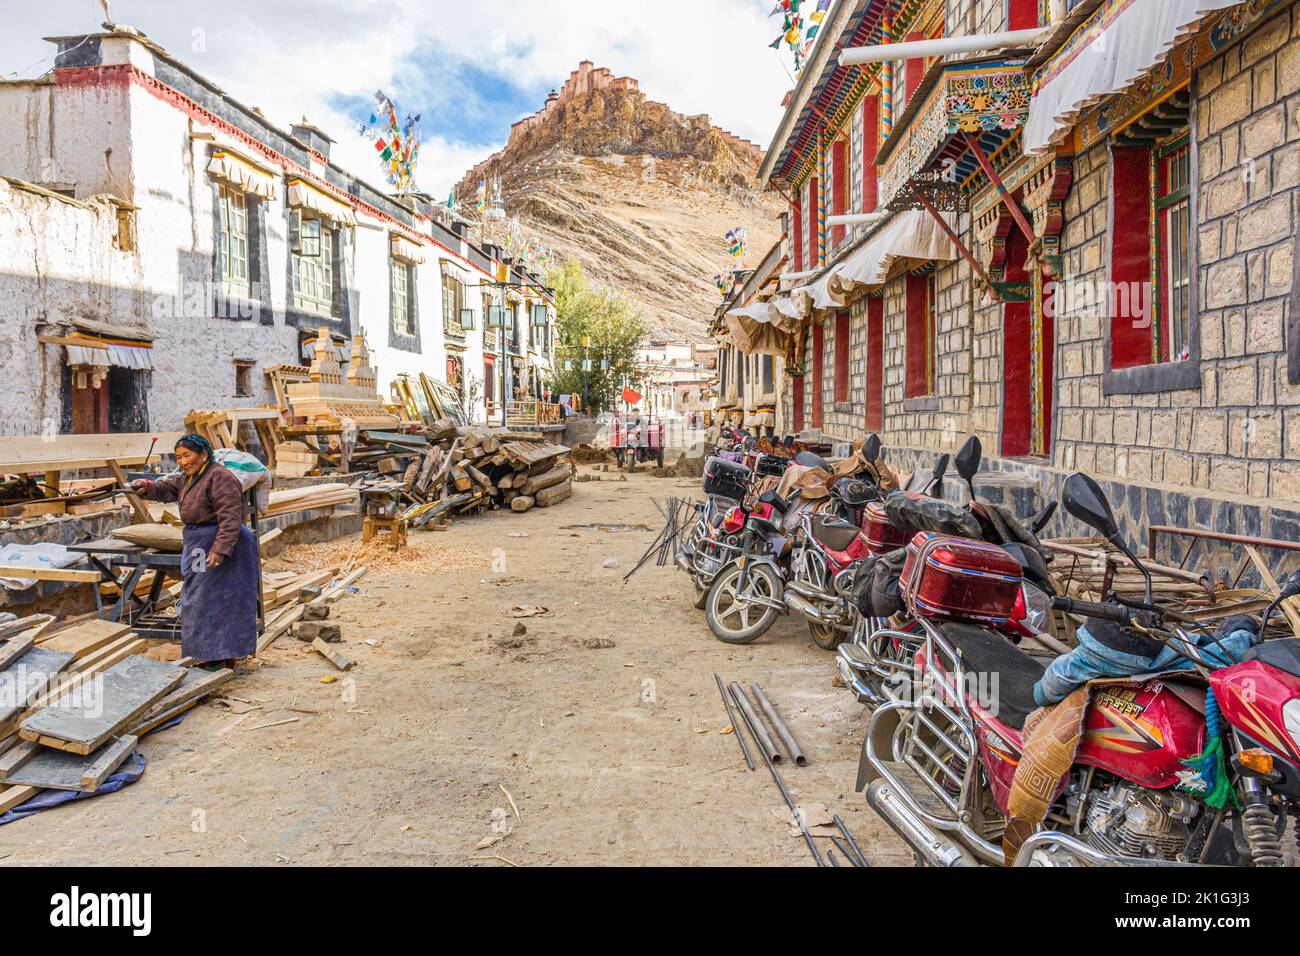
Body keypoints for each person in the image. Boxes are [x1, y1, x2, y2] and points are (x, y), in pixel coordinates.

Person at [131, 435, 259, 669]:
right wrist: (147, 487)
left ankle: (219, 657)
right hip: (199, 543)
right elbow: (167, 488)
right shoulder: (190, 478)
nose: (182, 461)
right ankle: (208, 654)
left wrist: (219, 550)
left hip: (219, 543)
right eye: (179, 457)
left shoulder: (220, 477)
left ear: (203, 455)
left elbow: (230, 518)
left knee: (213, 599)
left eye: (187, 455)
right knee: (198, 597)